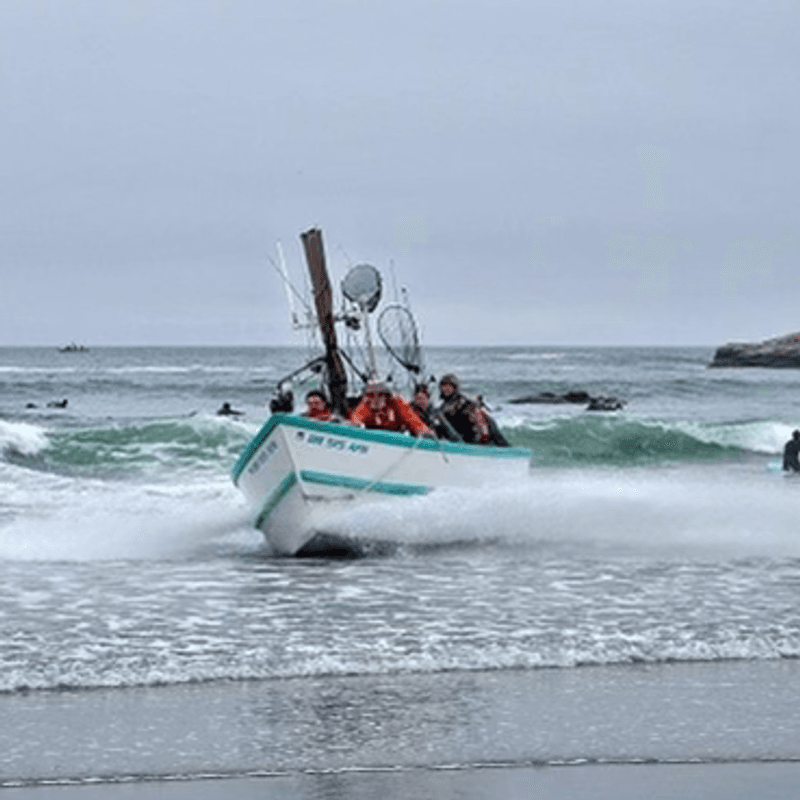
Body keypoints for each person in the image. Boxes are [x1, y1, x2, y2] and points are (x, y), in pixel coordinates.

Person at [437, 374, 508, 446]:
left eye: (449, 386)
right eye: (444, 386)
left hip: (481, 439)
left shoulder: (463, 403)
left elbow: (477, 423)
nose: (446, 388)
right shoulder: (443, 407)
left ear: (454, 388)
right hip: (464, 440)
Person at [348, 383, 433, 437]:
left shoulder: (396, 403)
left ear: (385, 396)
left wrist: (426, 431)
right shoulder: (367, 405)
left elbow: (412, 419)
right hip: (373, 437)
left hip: (394, 438)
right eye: (372, 395)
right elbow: (355, 418)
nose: (375, 399)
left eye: (379, 395)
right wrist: (353, 424)